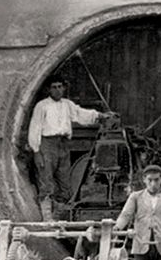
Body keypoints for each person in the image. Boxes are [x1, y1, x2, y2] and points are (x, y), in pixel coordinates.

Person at [27, 75, 115, 221]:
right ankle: (47, 219)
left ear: (64, 88)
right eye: (54, 87)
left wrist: (100, 115)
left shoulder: (68, 105)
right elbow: (34, 128)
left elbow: (81, 114)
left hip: (63, 144)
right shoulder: (42, 106)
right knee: (46, 180)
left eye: (60, 87)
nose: (57, 90)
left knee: (64, 183)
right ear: (49, 89)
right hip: (47, 144)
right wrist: (36, 151)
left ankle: (59, 217)